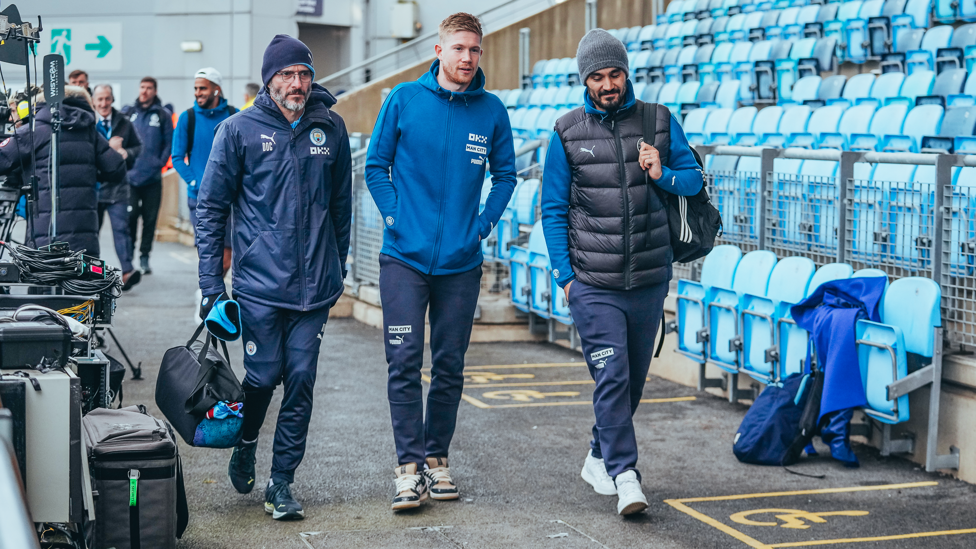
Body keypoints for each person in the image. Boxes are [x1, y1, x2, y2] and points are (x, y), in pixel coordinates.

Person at [540, 29, 703, 516]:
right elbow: (552, 209)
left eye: (614, 73)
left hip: (649, 278)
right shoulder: (566, 132)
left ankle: (597, 455)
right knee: (611, 376)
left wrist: (662, 174)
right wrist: (565, 278)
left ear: (626, 73)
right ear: (584, 80)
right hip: (592, 282)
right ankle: (625, 474)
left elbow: (694, 182)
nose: (607, 84)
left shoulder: (658, 121)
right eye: (597, 76)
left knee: (630, 383)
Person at [365, 12, 517, 512]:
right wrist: (394, 218)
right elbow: (375, 166)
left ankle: (437, 460)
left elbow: (506, 178)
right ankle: (407, 469)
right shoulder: (404, 99)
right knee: (405, 362)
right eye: (458, 48)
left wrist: (481, 226)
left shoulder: (492, 111)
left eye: (474, 49)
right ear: (438, 50)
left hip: (461, 262)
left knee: (449, 366)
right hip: (403, 259)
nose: (467, 58)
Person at [196, 34, 351, 521]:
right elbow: (211, 209)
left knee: (301, 379)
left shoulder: (331, 127)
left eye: (303, 74)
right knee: (262, 377)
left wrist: (337, 266)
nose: (297, 83)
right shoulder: (237, 130)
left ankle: (280, 482)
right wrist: (209, 286)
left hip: (316, 288)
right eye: (286, 74)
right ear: (269, 80)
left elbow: (342, 207)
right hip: (260, 287)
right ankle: (246, 442)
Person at [0, 86, 126, 255]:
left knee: (45, 278)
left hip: (45, 238)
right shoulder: (89, 132)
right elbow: (116, 169)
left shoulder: (34, 131)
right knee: (79, 279)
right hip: (84, 238)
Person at [172, 67, 236, 273]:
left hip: (230, 201)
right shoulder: (187, 118)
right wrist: (195, 182)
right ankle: (209, 299)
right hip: (199, 199)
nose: (198, 92)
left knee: (226, 260)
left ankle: (214, 299)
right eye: (196, 88)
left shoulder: (234, 116)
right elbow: (177, 157)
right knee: (209, 259)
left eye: (203, 88)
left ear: (216, 89)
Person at [92, 83, 143, 291]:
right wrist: (109, 150)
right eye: (100, 100)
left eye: (107, 99)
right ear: (94, 102)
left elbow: (138, 147)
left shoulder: (124, 122)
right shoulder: (88, 122)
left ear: (112, 99)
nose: (104, 104)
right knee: (91, 232)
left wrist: (125, 153)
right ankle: (90, 273)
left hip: (118, 187)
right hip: (94, 188)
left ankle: (128, 271)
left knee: (121, 230)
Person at [122, 76, 173, 275]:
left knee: (150, 220)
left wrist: (159, 164)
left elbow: (169, 142)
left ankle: (145, 257)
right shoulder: (129, 113)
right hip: (131, 178)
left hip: (152, 178)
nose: (145, 91)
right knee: (131, 217)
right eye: (142, 87)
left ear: (155, 91)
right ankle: (130, 257)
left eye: (149, 88)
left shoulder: (162, 115)